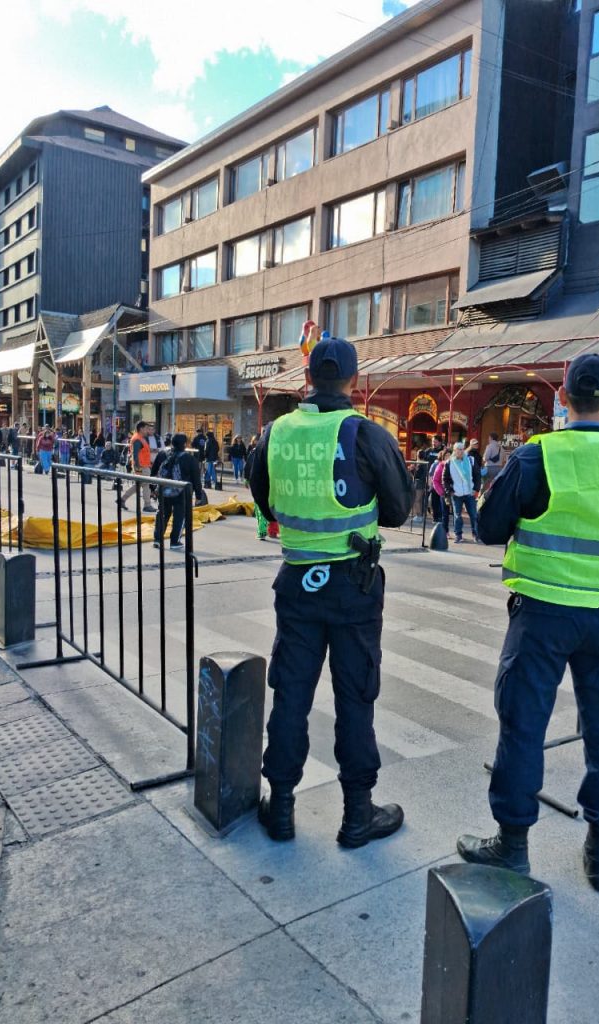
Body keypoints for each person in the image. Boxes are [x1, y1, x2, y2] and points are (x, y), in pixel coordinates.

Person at [456, 354, 599, 892]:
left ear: (563, 398)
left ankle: (513, 847)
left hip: (542, 614)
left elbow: (489, 528)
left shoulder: (538, 454)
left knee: (523, 726)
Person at [249, 336, 412, 848]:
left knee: (291, 693)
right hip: (354, 586)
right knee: (355, 696)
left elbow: (264, 501)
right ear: (354, 381)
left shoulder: (275, 432)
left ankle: (280, 806)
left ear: (307, 378)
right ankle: (357, 815)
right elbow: (399, 509)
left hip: (297, 582)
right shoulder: (366, 433)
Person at [152, 433, 203, 551]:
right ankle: (174, 541)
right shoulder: (190, 459)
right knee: (180, 516)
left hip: (163, 489)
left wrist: (152, 489)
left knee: (162, 514)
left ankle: (157, 539)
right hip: (182, 492)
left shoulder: (162, 454)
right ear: (184, 444)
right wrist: (198, 496)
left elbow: (154, 472)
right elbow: (196, 478)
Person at [443, 441, 481, 542]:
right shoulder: (449, 463)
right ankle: (458, 535)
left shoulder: (471, 460)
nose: (460, 451)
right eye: (458, 449)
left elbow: (477, 475)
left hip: (470, 492)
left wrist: (476, 489)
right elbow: (445, 479)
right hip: (457, 493)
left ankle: (475, 534)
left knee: (473, 515)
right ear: (454, 451)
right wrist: (450, 490)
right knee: (457, 515)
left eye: (462, 449)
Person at [119, 421, 156, 512]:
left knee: (139, 485)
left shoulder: (140, 438)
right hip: (142, 466)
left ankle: (122, 499)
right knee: (145, 485)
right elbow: (135, 454)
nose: (148, 430)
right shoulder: (138, 439)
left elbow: (140, 452)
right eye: (146, 428)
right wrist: (138, 466)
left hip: (143, 465)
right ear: (141, 429)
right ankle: (147, 505)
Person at [430, 447, 451, 537]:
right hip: (445, 492)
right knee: (445, 513)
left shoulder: (456, 465)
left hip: (456, 491)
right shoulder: (440, 466)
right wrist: (441, 492)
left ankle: (458, 533)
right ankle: (445, 531)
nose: (448, 457)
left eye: (450, 456)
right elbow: (435, 480)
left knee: (456, 514)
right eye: (446, 456)